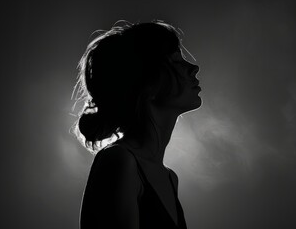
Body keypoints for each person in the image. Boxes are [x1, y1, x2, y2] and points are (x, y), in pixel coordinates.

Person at [70, 19, 201, 229]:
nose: (193, 68)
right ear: (149, 85)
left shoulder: (169, 178)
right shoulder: (119, 161)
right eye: (176, 62)